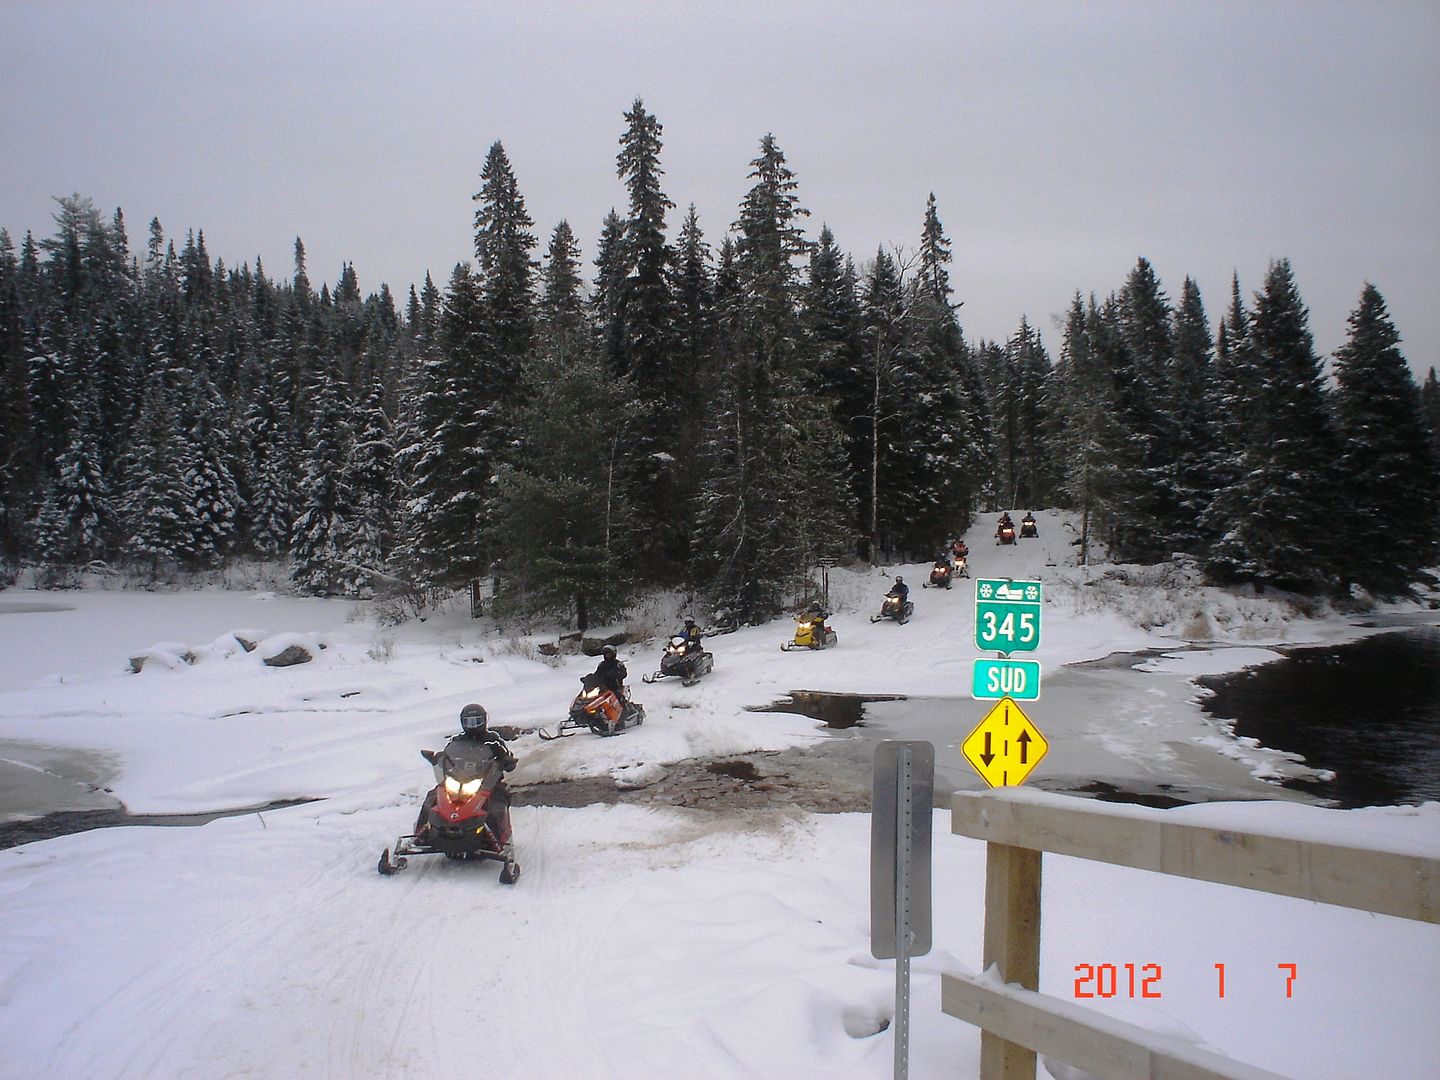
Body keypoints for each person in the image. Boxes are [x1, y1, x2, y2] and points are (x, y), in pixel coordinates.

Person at [416, 703, 517, 850]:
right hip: (458, 779)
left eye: (476, 721)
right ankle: (421, 835)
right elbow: (446, 756)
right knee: (433, 797)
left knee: (498, 800)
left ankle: (499, 840)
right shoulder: (457, 741)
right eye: (469, 722)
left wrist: (506, 762)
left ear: (484, 720)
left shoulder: (493, 739)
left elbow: (504, 754)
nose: (473, 726)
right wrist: (437, 758)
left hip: (487, 781)